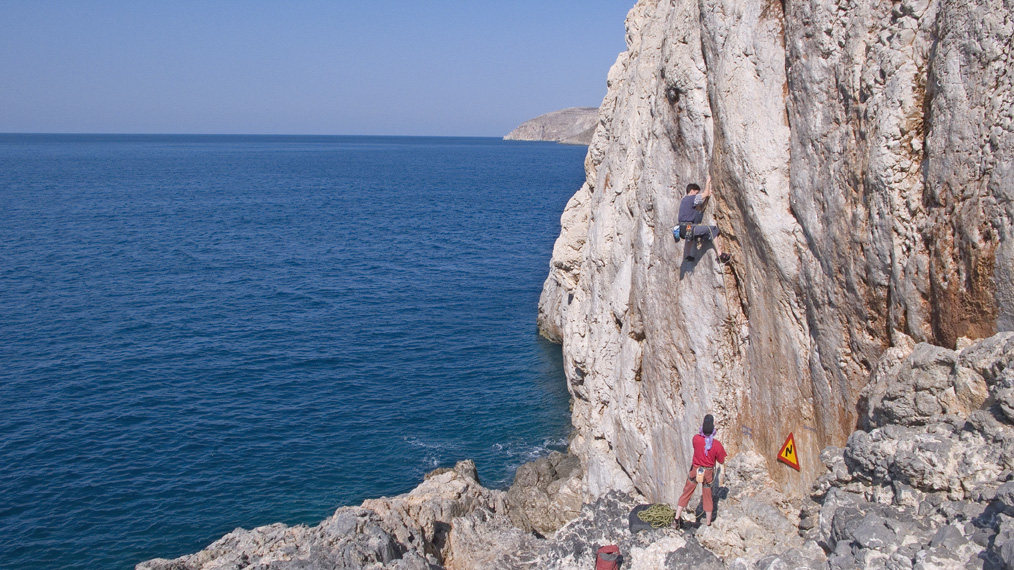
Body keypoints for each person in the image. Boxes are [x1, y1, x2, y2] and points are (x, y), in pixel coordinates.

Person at [673, 414, 728, 527]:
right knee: (707, 496)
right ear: (713, 429)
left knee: (686, 492)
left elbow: (698, 445)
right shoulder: (716, 445)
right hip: (707, 472)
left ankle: (676, 518)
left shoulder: (696, 439)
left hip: (695, 469)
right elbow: (721, 460)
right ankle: (708, 523)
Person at [673, 175, 731, 264]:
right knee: (712, 229)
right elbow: (706, 193)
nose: (697, 195)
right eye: (696, 193)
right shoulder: (692, 198)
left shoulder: (684, 201)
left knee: (690, 237)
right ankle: (720, 254)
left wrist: (706, 200)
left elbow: (700, 209)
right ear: (692, 191)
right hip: (689, 227)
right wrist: (708, 182)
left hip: (683, 228)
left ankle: (688, 255)